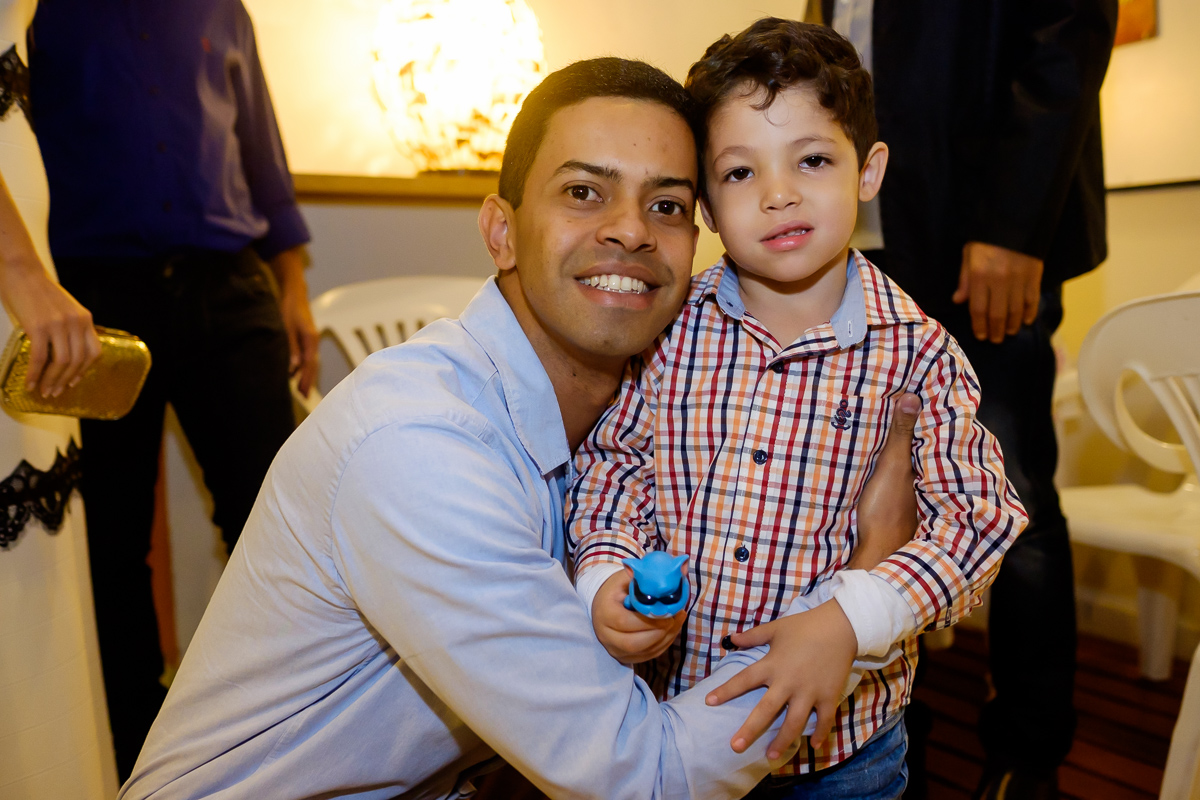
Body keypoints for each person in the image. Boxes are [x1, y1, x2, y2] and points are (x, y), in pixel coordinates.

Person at [118, 57, 923, 800]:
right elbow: (649, 778)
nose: (632, 230)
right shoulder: (418, 447)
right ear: (501, 232)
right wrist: (865, 595)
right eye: (584, 192)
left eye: (667, 205)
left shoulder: (655, 415)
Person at [567, 20, 1027, 800]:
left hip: (842, 752)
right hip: (675, 717)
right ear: (707, 204)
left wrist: (855, 618)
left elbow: (980, 518)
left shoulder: (917, 352)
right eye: (740, 174)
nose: (779, 194)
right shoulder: (670, 329)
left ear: (868, 170)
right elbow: (615, 464)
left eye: (811, 160)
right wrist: (606, 574)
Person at [816, 1, 1118, 795]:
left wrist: (1015, 227)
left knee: (1010, 491)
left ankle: (1030, 746)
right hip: (872, 237)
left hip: (982, 230)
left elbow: (1067, 33)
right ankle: (889, 714)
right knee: (860, 486)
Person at [26, 0, 320, 781]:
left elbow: (262, 149)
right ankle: (131, 754)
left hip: (231, 288)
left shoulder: (224, 10)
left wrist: (291, 288)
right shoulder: (43, 14)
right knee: (110, 537)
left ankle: (278, 730)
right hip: (93, 300)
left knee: (275, 519)